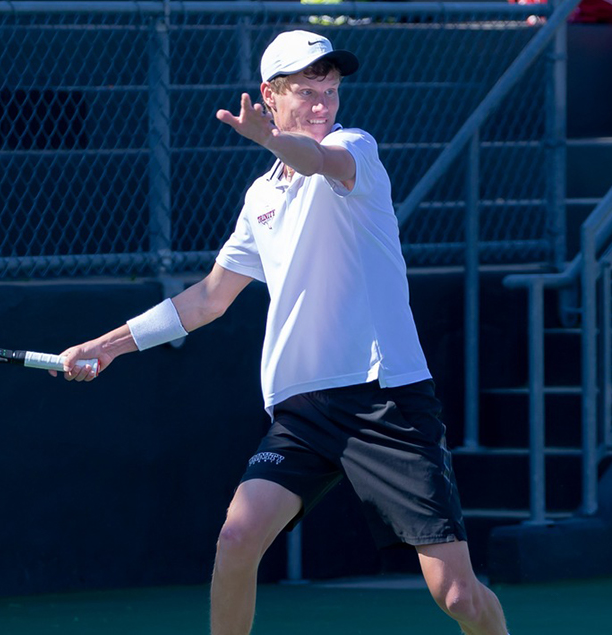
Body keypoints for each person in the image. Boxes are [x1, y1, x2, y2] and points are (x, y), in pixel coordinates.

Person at [52, 31, 511, 635]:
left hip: (385, 402)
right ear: (269, 94)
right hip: (302, 410)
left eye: (330, 91)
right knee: (237, 538)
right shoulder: (260, 197)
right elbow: (209, 299)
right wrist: (105, 346)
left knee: (455, 594)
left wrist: (274, 138)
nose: (323, 106)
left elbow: (317, 159)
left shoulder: (354, 149)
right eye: (306, 93)